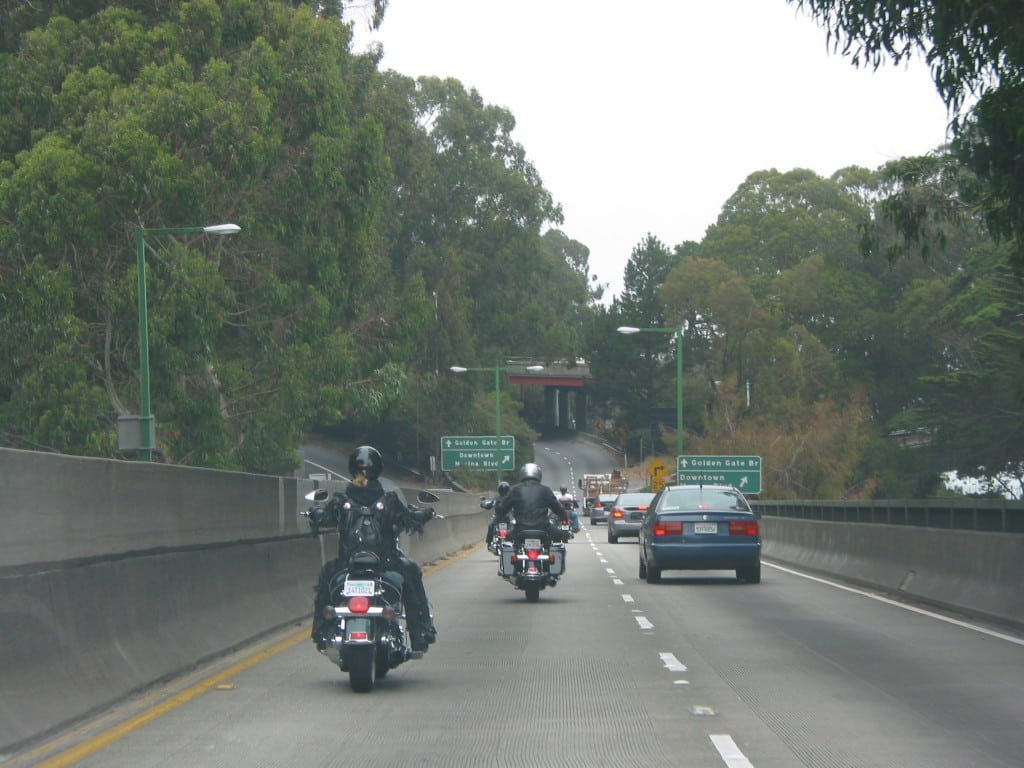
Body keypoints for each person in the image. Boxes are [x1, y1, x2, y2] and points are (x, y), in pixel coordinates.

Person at [311, 446, 437, 652]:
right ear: (378, 469)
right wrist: (426, 513)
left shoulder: (340, 501)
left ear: (353, 468)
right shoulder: (390, 500)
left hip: (348, 564)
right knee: (412, 573)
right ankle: (420, 632)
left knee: (326, 576)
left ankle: (321, 630)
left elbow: (323, 519)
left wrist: (314, 514)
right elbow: (410, 519)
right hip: (386, 562)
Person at [498, 463, 571, 542]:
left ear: (523, 474)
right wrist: (564, 520)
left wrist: (499, 508)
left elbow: (502, 509)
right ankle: (551, 553)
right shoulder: (546, 490)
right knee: (559, 538)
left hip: (520, 529)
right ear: (539, 475)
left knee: (507, 541)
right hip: (543, 528)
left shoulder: (515, 490)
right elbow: (558, 509)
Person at [485, 480, 512, 548]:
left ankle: (489, 543)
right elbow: (488, 505)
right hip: (504, 518)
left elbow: (488, 506)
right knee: (491, 526)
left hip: (502, 518)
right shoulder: (509, 498)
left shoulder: (497, 499)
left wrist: (484, 504)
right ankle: (489, 542)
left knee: (491, 526)